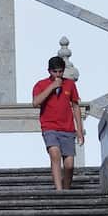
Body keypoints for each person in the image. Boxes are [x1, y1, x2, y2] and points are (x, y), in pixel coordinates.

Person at [32, 55, 84, 191]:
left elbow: (76, 106)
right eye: (55, 71)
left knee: (69, 164)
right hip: (49, 126)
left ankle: (66, 189)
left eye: (60, 71)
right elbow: (36, 102)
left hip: (67, 128)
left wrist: (79, 130)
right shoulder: (41, 85)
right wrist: (52, 86)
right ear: (49, 71)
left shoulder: (70, 84)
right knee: (54, 154)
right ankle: (59, 190)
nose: (58, 74)